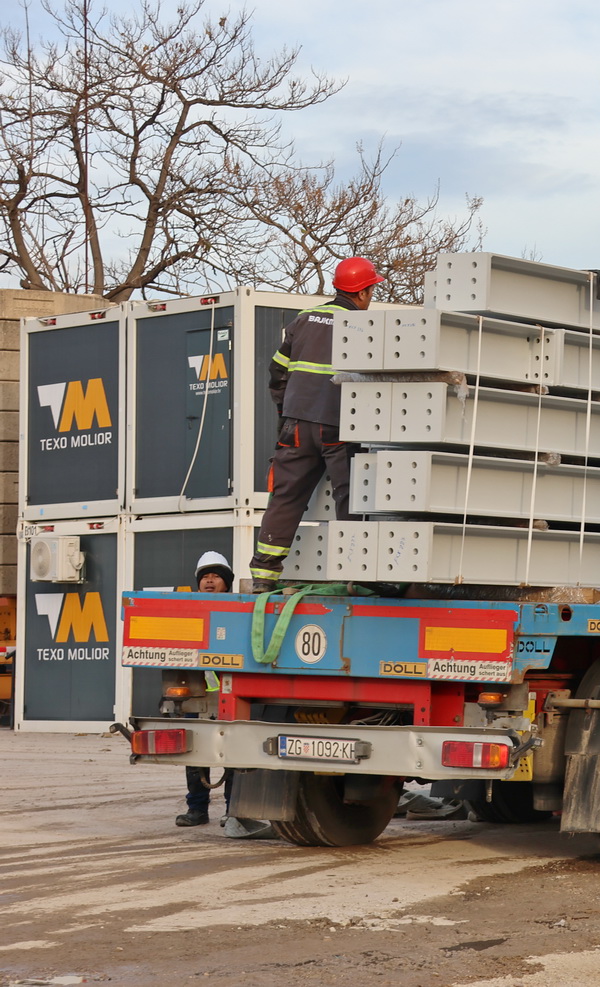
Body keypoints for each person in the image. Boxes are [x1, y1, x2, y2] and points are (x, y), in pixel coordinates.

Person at [249, 257, 384, 592]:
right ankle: (356, 575)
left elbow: (277, 371)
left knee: (286, 497)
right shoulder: (364, 327)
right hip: (340, 426)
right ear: (362, 293)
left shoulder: (304, 319)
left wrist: (287, 412)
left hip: (296, 424)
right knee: (351, 497)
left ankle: (264, 574)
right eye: (371, 290)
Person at [175, 552, 275, 838]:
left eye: (216, 576)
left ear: (226, 583)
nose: (209, 581)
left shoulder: (238, 612)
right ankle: (197, 809)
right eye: (205, 577)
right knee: (195, 755)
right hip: (197, 701)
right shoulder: (189, 611)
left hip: (232, 699)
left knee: (235, 755)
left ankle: (233, 810)